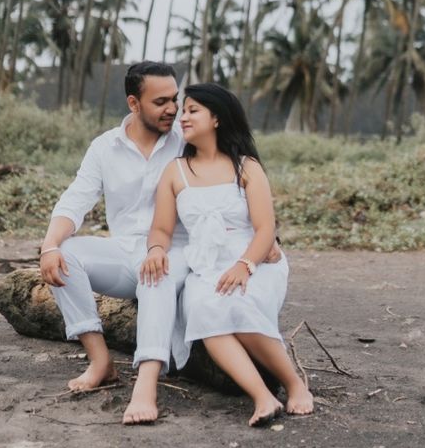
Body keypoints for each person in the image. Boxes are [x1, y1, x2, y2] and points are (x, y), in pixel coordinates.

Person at [139, 82, 314, 427]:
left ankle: (296, 385)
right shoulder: (175, 172)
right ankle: (262, 398)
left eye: (192, 111)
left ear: (216, 118)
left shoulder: (246, 166)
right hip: (205, 265)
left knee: (238, 304)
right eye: (183, 111)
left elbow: (265, 229)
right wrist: (156, 249)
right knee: (203, 309)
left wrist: (244, 265)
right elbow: (160, 229)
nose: (182, 117)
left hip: (256, 259)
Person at [38, 61, 188, 426]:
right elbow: (76, 199)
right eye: (161, 101)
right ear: (134, 104)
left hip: (179, 252)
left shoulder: (187, 139)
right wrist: (49, 245)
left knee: (157, 273)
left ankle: (146, 384)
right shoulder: (105, 147)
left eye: (175, 99)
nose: (172, 109)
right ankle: (100, 360)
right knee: (66, 254)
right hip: (125, 253)